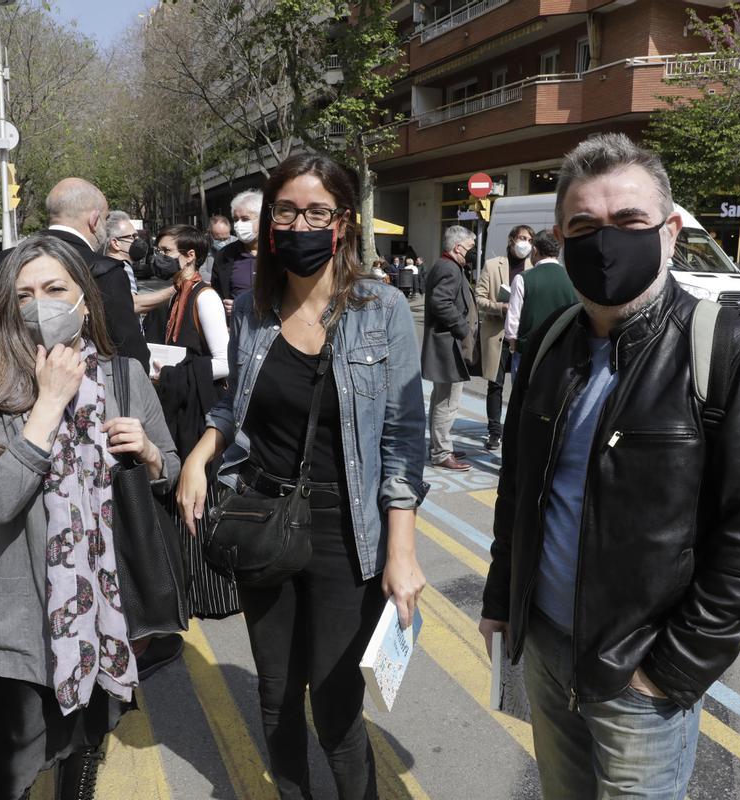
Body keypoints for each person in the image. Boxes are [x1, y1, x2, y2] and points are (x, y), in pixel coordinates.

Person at [479, 133, 740, 800]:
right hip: (543, 649)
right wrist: (500, 601)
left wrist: (668, 673)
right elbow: (520, 490)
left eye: (628, 222)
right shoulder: (547, 346)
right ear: (560, 239)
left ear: (670, 230)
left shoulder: (731, 356)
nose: (606, 242)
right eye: (584, 226)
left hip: (640, 674)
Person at [177, 153, 427, 800]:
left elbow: (403, 440)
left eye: (318, 211)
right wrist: (201, 453)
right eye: (286, 211)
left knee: (338, 704)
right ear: (269, 223)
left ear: (342, 223)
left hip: (349, 535)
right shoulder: (253, 311)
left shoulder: (384, 310)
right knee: (277, 696)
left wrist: (402, 552)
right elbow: (234, 405)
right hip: (266, 520)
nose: (301, 224)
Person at [0, 235, 179, 800]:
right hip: (25, 616)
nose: (41, 305)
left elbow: (169, 470)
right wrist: (48, 405)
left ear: (84, 297)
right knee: (13, 765)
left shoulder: (124, 376)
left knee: (87, 741)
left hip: (110, 609)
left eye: (55, 289)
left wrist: (150, 454)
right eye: (25, 294)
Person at [0, 179, 151, 372]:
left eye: (55, 290)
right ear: (95, 220)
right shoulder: (106, 271)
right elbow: (130, 355)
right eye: (23, 296)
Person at [150, 224, 237, 625]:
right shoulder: (174, 295)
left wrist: (174, 369)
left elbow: (224, 360)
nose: (159, 254)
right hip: (179, 405)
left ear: (190, 256)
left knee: (204, 496)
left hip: (201, 409)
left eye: (167, 250)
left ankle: (215, 592)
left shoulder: (204, 297)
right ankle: (190, 588)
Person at [421, 225, 478, 471]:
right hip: (448, 347)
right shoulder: (449, 268)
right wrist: (463, 328)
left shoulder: (447, 266)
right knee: (447, 401)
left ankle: (439, 445)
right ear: (457, 248)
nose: (473, 252)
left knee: (440, 398)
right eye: (470, 248)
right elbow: (440, 302)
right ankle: (441, 452)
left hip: (446, 345)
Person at [474, 225, 534, 451]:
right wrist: (500, 307)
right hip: (496, 334)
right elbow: (478, 298)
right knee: (495, 385)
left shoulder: (533, 267)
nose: (525, 243)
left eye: (529, 239)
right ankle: (494, 432)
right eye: (521, 238)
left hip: (521, 336)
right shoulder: (492, 265)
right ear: (511, 239)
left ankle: (516, 429)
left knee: (521, 386)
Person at [504, 229, 577, 373]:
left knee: (524, 394)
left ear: (535, 250)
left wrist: (513, 344)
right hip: (561, 352)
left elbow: (513, 319)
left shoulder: (523, 278)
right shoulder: (572, 278)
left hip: (528, 352)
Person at [211, 189, 261, 315]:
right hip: (236, 329)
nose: (238, 225)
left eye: (245, 219)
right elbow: (217, 294)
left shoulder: (281, 252)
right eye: (235, 219)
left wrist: (244, 306)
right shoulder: (224, 255)